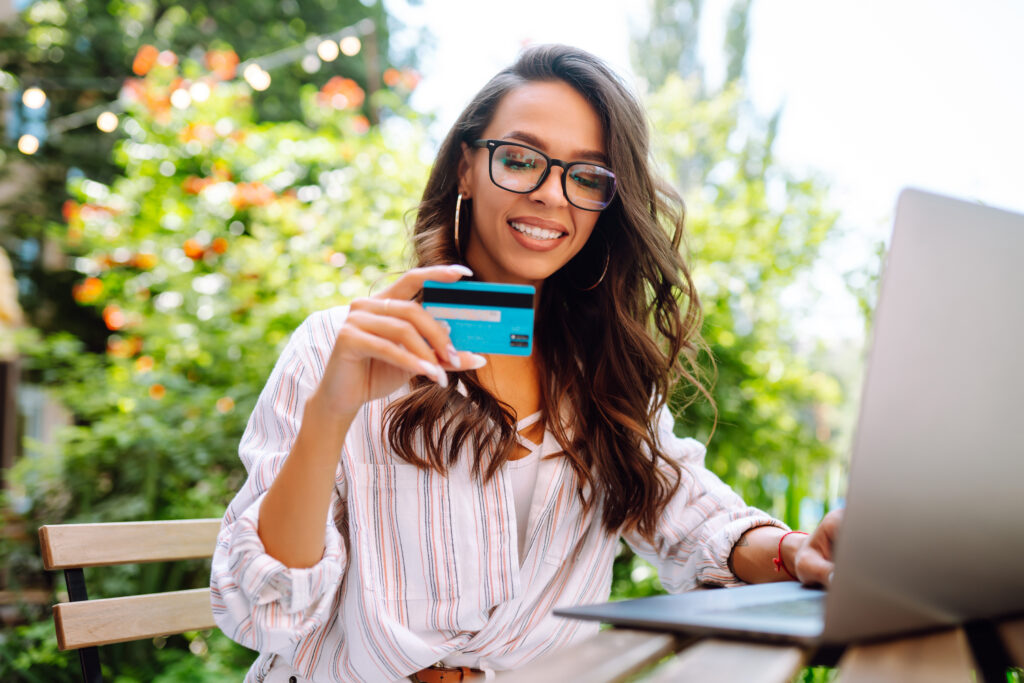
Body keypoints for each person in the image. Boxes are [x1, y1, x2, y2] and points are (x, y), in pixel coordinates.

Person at [210, 44, 841, 683]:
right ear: (465, 167)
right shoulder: (337, 346)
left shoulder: (602, 377)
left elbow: (693, 519)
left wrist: (795, 552)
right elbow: (262, 612)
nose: (549, 195)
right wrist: (333, 409)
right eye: (519, 159)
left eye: (587, 176)